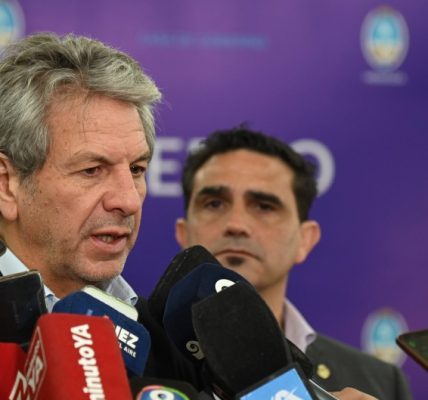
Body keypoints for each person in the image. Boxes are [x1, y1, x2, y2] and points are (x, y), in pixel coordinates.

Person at [0, 32, 384, 400]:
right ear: (7, 186)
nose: (128, 200)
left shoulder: (177, 342)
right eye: (91, 170)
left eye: (137, 169)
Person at [175, 126, 412, 399]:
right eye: (214, 204)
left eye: (264, 206)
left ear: (305, 240)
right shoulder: (138, 362)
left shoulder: (381, 382)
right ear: (184, 234)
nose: (236, 224)